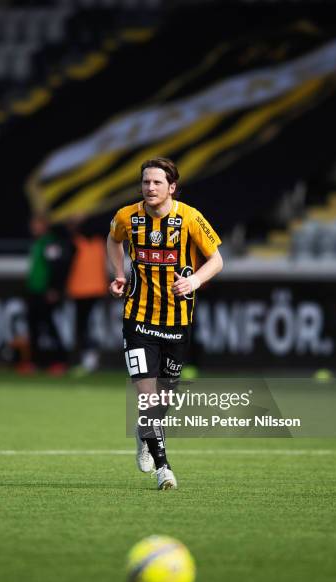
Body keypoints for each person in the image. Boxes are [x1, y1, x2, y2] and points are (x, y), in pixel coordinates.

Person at [107, 157, 223, 490]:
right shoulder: (127, 217)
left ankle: (145, 436)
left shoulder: (189, 217)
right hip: (138, 319)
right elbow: (112, 240)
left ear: (171, 187)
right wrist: (119, 274)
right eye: (146, 182)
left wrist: (194, 282)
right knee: (148, 398)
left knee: (163, 399)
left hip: (176, 321)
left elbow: (217, 259)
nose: (150, 188)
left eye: (157, 182)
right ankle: (164, 468)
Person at [26, 214, 75, 373]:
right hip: (34, 290)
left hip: (46, 291)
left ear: (44, 225)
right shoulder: (39, 242)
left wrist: (54, 289)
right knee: (34, 327)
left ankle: (60, 361)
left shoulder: (51, 243)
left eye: (36, 223)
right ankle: (35, 362)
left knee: (49, 326)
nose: (33, 227)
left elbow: (57, 268)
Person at [66, 216, 108, 375]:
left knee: (85, 327)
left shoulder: (77, 243)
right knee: (89, 327)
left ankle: (89, 359)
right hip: (92, 291)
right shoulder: (99, 243)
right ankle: (89, 359)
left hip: (84, 291)